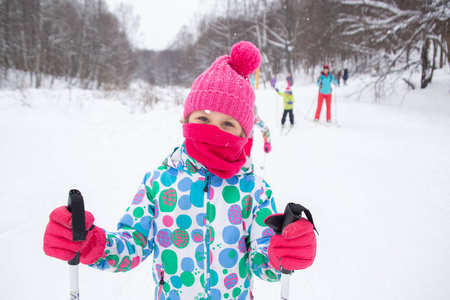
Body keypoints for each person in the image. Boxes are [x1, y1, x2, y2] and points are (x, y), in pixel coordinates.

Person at [43, 41, 317, 300]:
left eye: (227, 124)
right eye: (202, 119)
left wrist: (282, 252)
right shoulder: (159, 183)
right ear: (186, 120)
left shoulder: (255, 190)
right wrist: (91, 244)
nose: (212, 131)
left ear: (244, 135)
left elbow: (261, 260)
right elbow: (133, 244)